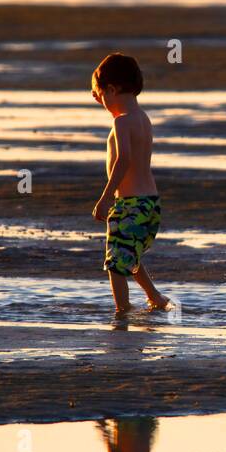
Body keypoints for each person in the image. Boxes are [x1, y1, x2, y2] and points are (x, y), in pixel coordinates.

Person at [90, 52, 168, 314]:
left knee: (115, 262)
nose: (101, 102)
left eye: (101, 96)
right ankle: (155, 297)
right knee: (129, 253)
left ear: (111, 89)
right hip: (150, 204)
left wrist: (106, 197)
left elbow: (123, 160)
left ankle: (122, 311)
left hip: (130, 204)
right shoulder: (143, 118)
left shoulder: (121, 122)